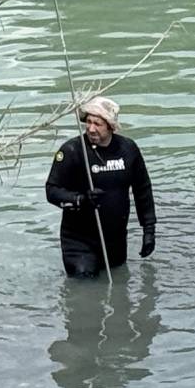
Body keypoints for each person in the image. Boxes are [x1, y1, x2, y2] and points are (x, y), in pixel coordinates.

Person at [45, 97, 157, 277]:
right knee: (84, 287)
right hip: (79, 242)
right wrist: (80, 200)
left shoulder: (128, 149)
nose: (91, 128)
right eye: (88, 122)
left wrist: (149, 229)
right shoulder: (72, 150)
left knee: (119, 286)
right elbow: (51, 191)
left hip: (115, 240)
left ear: (111, 126)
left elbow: (142, 190)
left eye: (97, 124)